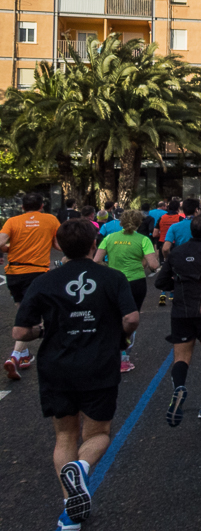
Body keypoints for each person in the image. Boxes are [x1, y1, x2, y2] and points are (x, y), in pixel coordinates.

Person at [13, 218, 140, 531]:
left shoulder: (43, 282)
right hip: (99, 363)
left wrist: (43, 329)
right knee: (97, 434)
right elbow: (132, 318)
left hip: (57, 365)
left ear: (58, 246)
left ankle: (71, 510)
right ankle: (81, 470)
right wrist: (117, 334)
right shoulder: (112, 277)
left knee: (65, 435)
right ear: (94, 244)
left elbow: (20, 330)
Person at [154, 214, 201, 424]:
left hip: (181, 311)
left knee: (181, 357)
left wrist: (177, 286)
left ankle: (179, 387)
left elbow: (160, 282)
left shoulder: (177, 253)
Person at [2, 192, 61, 379]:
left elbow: (1, 242)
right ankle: (15, 355)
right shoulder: (50, 220)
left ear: (22, 207)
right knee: (33, 316)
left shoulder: (12, 221)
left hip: (13, 273)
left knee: (23, 312)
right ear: (42, 206)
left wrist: (11, 248)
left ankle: (25, 355)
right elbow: (59, 244)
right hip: (36, 272)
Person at [93, 209, 159, 373]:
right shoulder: (143, 239)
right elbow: (154, 265)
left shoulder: (109, 238)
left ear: (121, 222)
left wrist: (109, 269)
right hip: (136, 282)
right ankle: (124, 358)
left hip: (113, 282)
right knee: (131, 319)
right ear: (138, 224)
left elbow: (96, 260)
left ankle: (109, 354)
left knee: (112, 316)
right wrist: (143, 261)